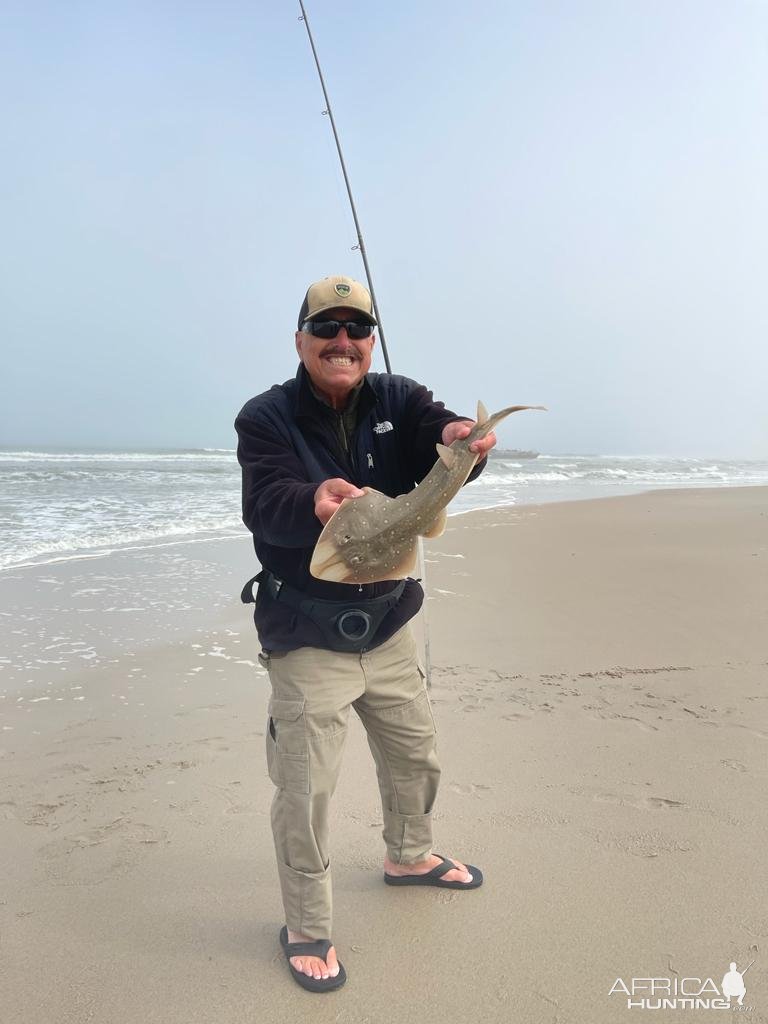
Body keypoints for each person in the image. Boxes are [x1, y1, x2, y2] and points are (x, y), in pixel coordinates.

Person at [234, 274, 498, 992]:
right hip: (307, 632)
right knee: (306, 790)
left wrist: (462, 442)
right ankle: (307, 925)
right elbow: (264, 503)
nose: (342, 342)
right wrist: (312, 499)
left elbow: (436, 434)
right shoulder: (265, 417)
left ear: (370, 342)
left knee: (416, 756)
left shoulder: (400, 396)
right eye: (327, 329)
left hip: (388, 625)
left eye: (356, 330)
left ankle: (409, 856)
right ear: (301, 341)